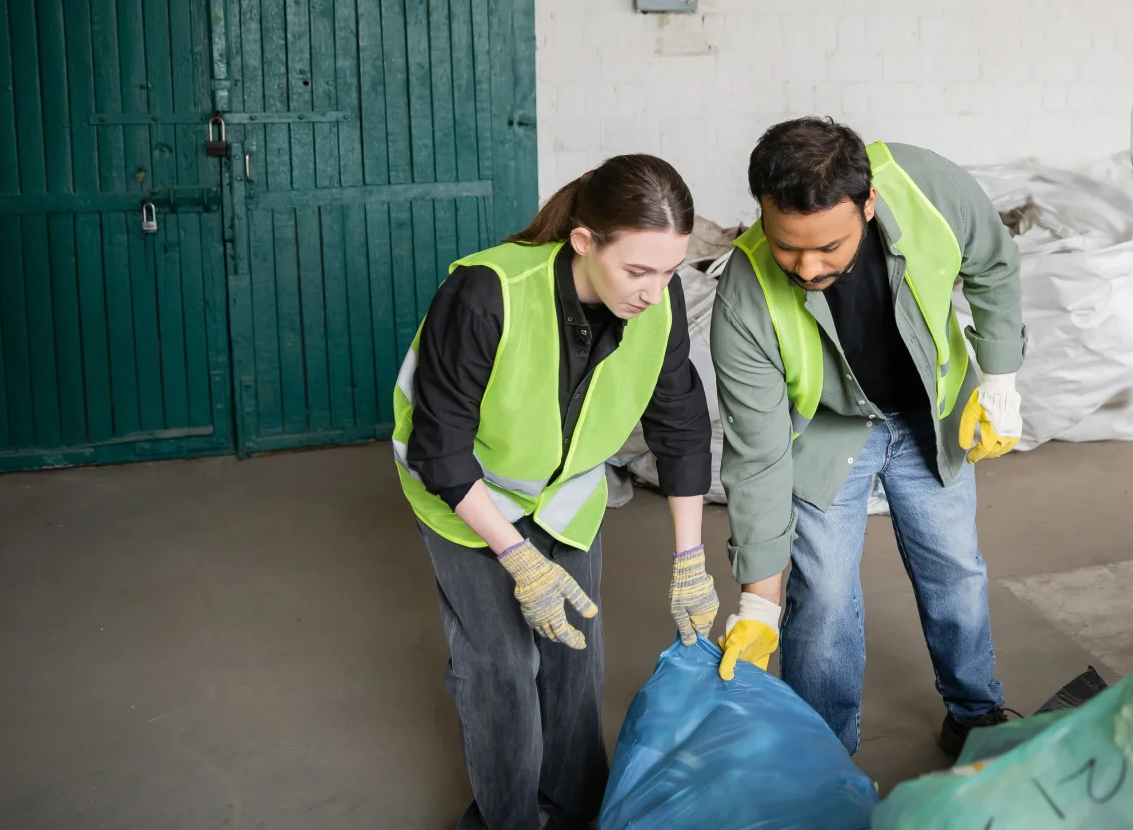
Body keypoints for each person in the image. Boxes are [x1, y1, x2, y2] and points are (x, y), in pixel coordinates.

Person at [390, 155, 717, 830]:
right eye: (637, 270)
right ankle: (507, 820)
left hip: (566, 501)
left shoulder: (658, 302)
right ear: (583, 243)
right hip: (467, 499)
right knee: (502, 670)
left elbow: (680, 424)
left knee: (575, 662)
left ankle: (575, 808)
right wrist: (517, 558)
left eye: (670, 270)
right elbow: (439, 448)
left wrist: (691, 560)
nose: (654, 291)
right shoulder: (487, 293)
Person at [710, 118, 1027, 758]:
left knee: (954, 568)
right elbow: (758, 456)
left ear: (869, 204)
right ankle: (822, 753)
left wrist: (1000, 379)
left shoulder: (928, 187)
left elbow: (993, 264)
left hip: (926, 413)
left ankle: (974, 712)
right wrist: (759, 597)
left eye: (828, 246)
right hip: (827, 432)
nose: (806, 266)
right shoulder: (743, 295)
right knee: (821, 594)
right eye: (786, 246)